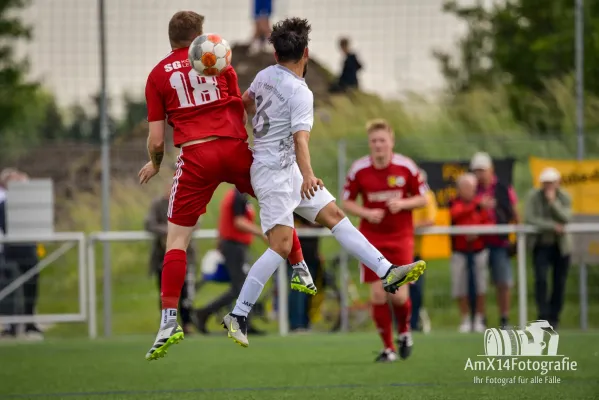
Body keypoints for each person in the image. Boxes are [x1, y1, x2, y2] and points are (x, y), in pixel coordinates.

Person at [221, 18, 426, 348]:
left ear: (275, 54)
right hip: (276, 174)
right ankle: (238, 315)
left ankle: (387, 271)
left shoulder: (264, 76)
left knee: (334, 216)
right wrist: (309, 175)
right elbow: (301, 141)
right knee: (281, 246)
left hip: (282, 169)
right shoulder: (300, 92)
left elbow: (245, 102)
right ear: (306, 52)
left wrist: (249, 131)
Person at [138, 11, 314, 361]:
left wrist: (156, 164)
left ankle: (169, 320)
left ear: (171, 38)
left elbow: (157, 141)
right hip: (233, 148)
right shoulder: (222, 62)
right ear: (201, 37)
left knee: (176, 240)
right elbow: (241, 109)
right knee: (279, 202)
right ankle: (299, 266)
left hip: (196, 156)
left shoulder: (157, 75)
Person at [342, 119, 429, 362]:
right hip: (371, 238)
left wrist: (402, 204)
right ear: (370, 144)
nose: (378, 145)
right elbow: (346, 202)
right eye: (374, 141)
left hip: (400, 237)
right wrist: (367, 213)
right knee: (378, 295)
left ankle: (404, 332)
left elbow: (423, 198)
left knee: (399, 295)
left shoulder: (406, 167)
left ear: (391, 142)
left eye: (382, 140)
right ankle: (388, 349)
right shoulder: (359, 169)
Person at [194, 188, 265, 334]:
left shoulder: (238, 195)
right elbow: (238, 222)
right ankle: (207, 313)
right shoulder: (238, 195)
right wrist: (261, 233)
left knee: (241, 287)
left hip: (235, 245)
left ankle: (207, 314)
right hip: (234, 245)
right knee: (241, 287)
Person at [470, 152, 517, 329]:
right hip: (478, 244)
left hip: (500, 242)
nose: (479, 174)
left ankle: (504, 319)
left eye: (482, 170)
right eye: (476, 171)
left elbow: (513, 211)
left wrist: (516, 237)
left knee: (503, 282)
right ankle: (480, 319)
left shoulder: (503, 188)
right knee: (480, 283)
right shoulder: (472, 189)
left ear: (491, 170)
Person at [144, 182, 196, 335]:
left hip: (185, 256)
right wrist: (167, 231)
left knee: (186, 292)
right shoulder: (157, 205)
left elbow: (196, 221)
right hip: (163, 258)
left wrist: (179, 230)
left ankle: (187, 324)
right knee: (165, 292)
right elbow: (149, 223)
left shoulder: (187, 201)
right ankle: (167, 325)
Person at [525, 167, 572, 330]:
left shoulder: (564, 197)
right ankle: (542, 317)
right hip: (541, 245)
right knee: (541, 280)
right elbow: (530, 218)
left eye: (551, 183)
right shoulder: (533, 197)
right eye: (545, 183)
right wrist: (552, 226)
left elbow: (566, 217)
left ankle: (554, 317)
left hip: (561, 247)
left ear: (557, 183)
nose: (548, 186)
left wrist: (553, 203)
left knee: (559, 282)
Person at [0, 171, 42, 340]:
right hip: (10, 252)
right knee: (10, 289)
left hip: (29, 250)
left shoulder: (31, 205)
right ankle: (12, 326)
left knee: (31, 287)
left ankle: (30, 323)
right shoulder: (3, 205)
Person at [449, 173, 492, 333]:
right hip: (459, 251)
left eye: (471, 188)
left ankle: (479, 318)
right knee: (460, 286)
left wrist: (478, 232)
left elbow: (489, 223)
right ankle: (465, 318)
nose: (468, 191)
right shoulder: (454, 202)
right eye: (465, 187)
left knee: (481, 285)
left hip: (479, 249)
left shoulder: (481, 203)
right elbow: (455, 214)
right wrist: (476, 207)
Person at [410, 168, 437, 333]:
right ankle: (400, 324)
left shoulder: (427, 196)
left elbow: (430, 220)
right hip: (398, 248)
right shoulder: (403, 194)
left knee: (415, 289)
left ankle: (413, 323)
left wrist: (407, 228)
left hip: (415, 251)